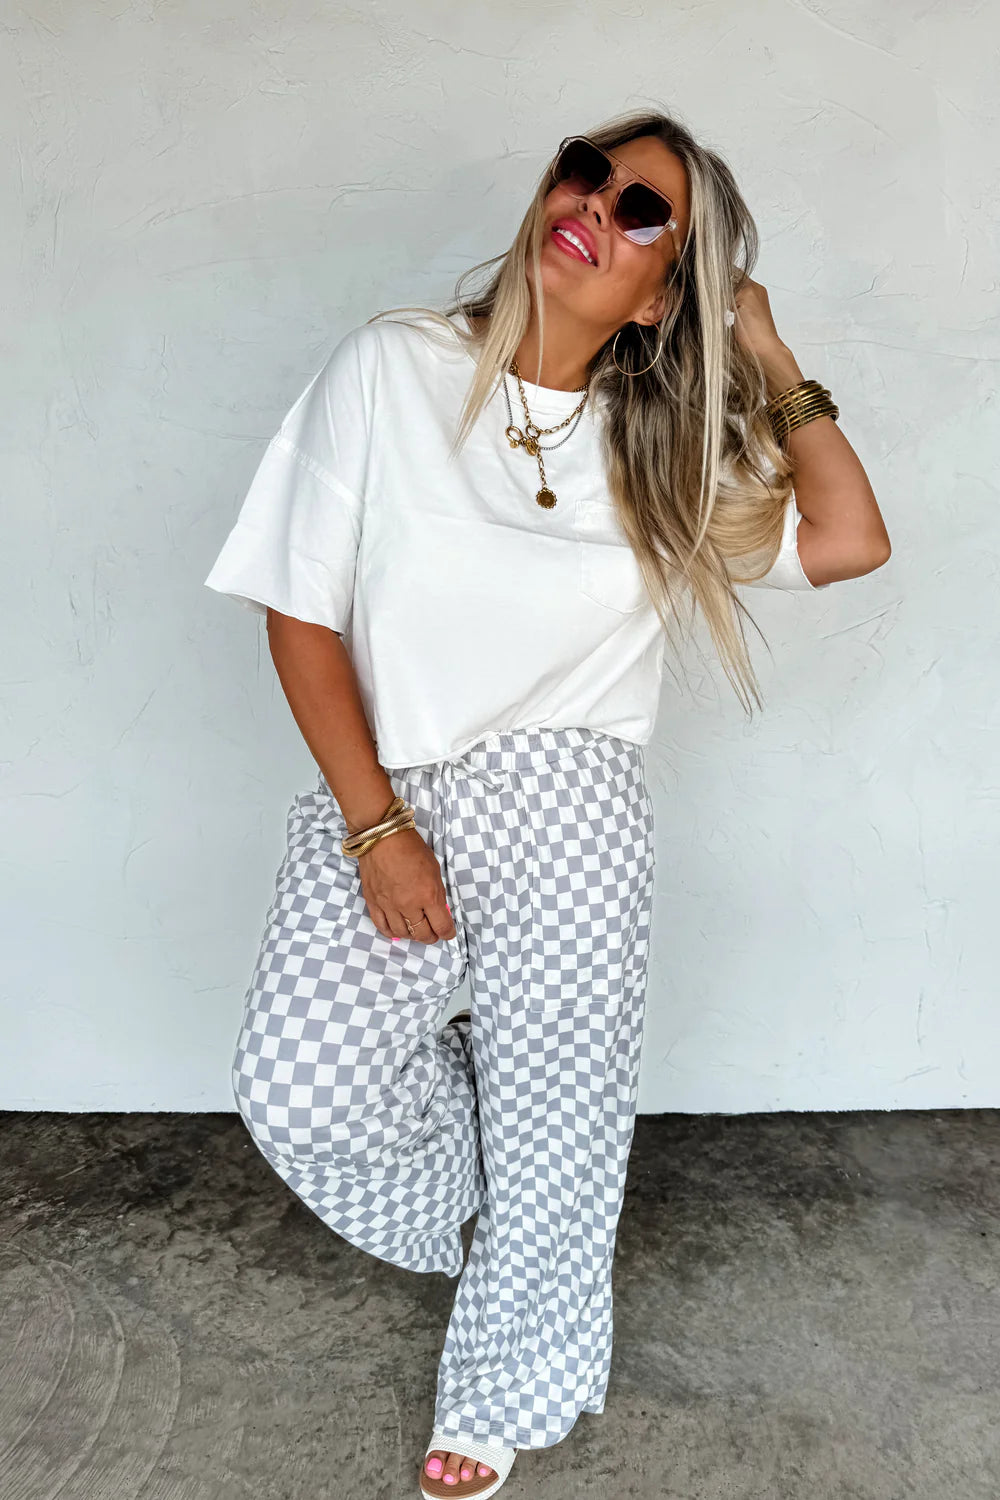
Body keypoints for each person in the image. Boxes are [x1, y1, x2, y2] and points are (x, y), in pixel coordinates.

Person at [203, 107, 890, 1500]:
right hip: (399, 791)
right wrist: (377, 826)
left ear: (659, 300)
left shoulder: (655, 450)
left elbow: (850, 539)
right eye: (590, 172)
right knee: (303, 1090)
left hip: (572, 806)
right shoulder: (393, 367)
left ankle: (503, 1383)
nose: (595, 204)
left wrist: (767, 354)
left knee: (562, 1126)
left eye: (644, 213)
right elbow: (299, 611)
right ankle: (495, 1186)